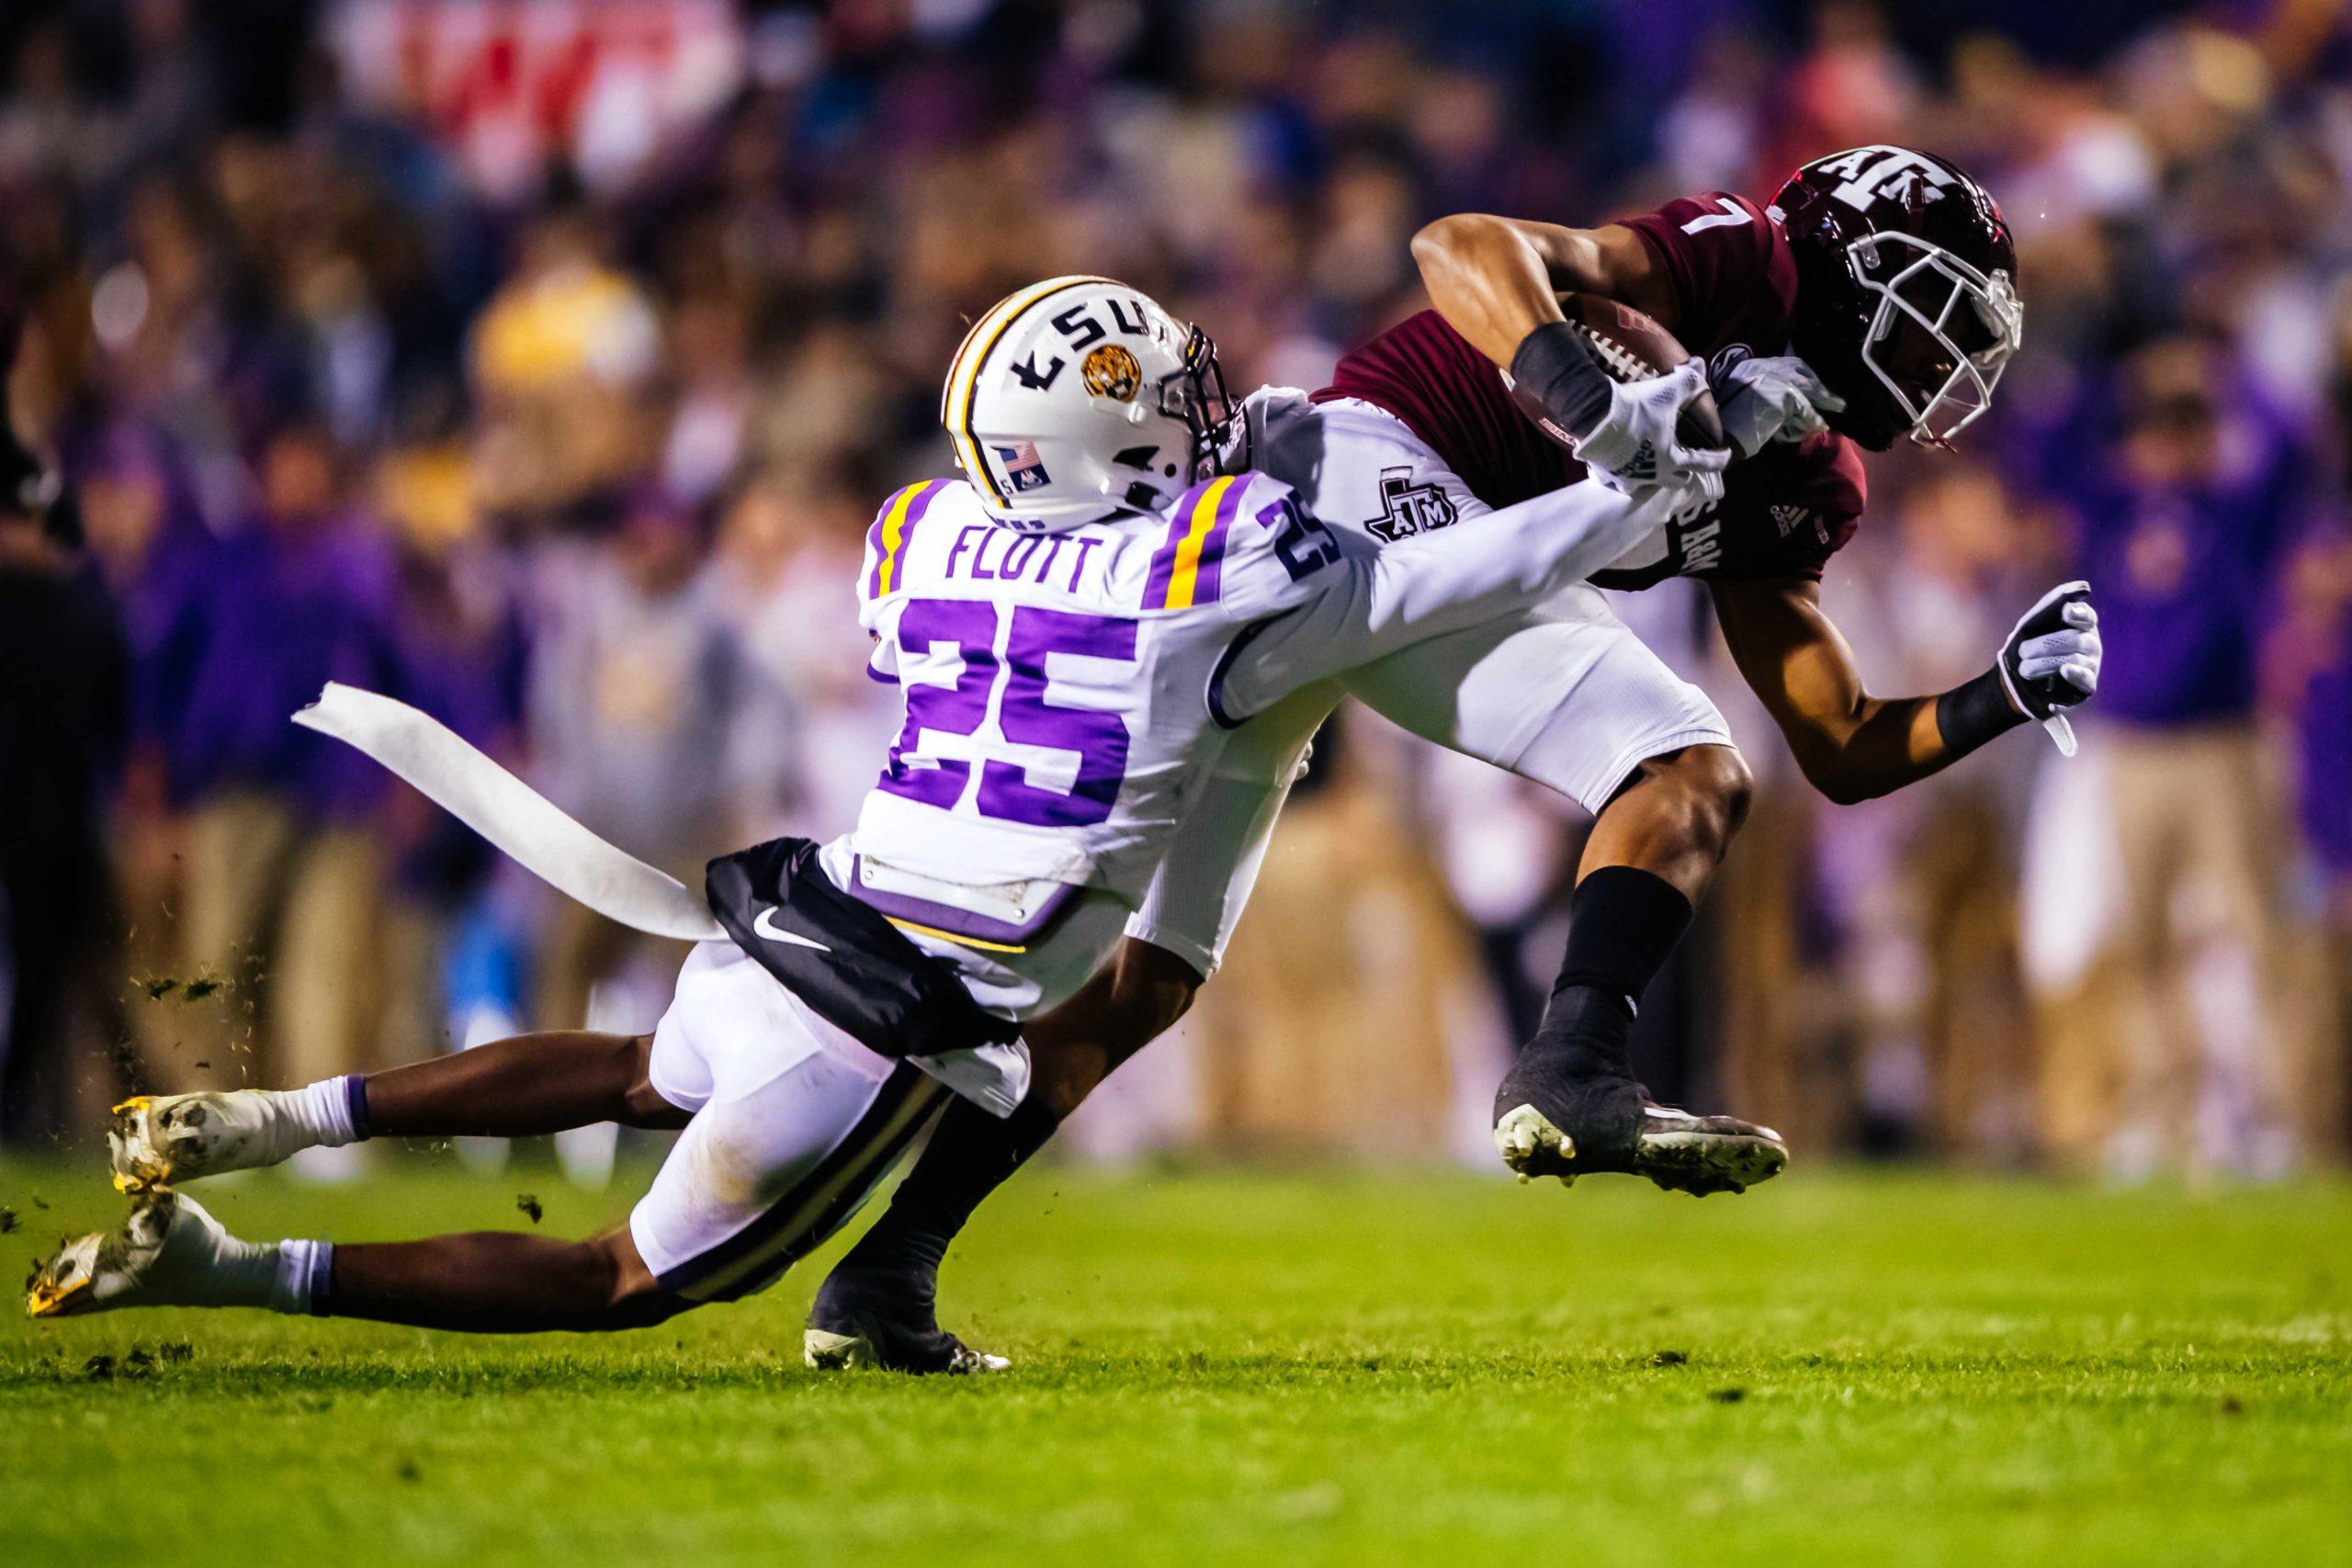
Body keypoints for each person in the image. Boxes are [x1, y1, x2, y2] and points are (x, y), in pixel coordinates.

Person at [28, 278, 1747, 1350]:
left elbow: (1091, 573)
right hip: (895, 1002)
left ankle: (271, 1116)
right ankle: (224, 1266)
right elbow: (1443, 576)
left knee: (640, 1071)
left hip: (810, 908)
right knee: (631, 1281)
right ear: (1116, 448)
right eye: (1169, 403)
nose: (1205, 414)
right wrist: (1634, 478)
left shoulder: (918, 533)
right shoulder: (1208, 573)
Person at [812, 145, 2109, 1371]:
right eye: (1935, 313)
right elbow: (1463, 245)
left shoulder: (1814, 478)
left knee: (1152, 981)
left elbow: (1837, 738)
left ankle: (884, 1275)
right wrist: (1607, 411)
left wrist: (1995, 696)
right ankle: (1573, 1066)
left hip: (1388, 560)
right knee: (1683, 763)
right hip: (1365, 485)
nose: (1947, 365)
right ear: (1850, 261)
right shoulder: (1736, 261)